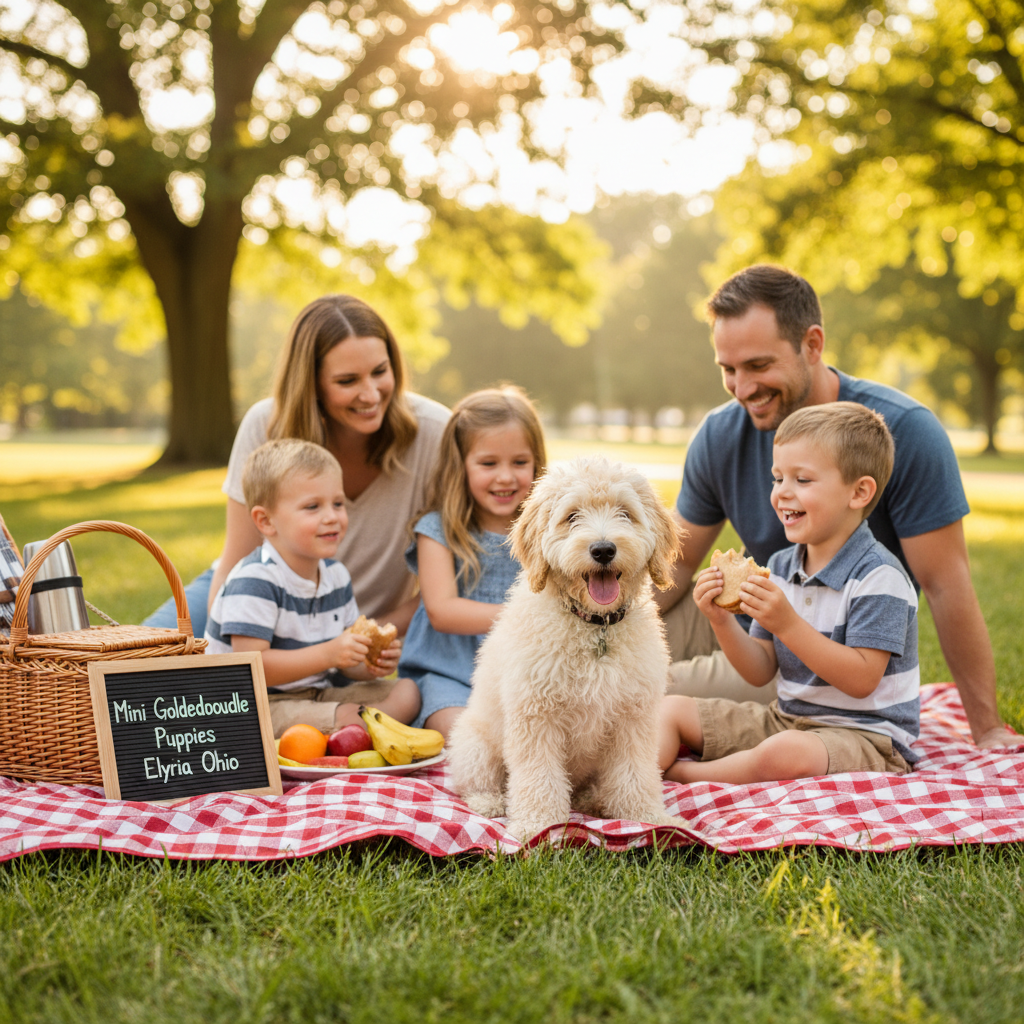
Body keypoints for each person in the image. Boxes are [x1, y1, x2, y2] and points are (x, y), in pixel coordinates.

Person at [657, 264, 1015, 750]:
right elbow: (674, 571)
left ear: (813, 344)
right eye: (728, 370)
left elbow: (945, 585)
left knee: (636, 696)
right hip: (741, 619)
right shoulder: (720, 434)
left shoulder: (904, 431)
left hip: (797, 652)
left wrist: (987, 727)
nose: (742, 389)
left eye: (759, 366)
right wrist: (588, 628)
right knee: (594, 662)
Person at [145, 294, 449, 640]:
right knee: (121, 669)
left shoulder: (436, 434)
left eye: (380, 372)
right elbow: (236, 559)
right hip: (251, 602)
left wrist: (369, 636)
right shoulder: (265, 425)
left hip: (350, 622)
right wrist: (223, 652)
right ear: (312, 384)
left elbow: (453, 584)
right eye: (347, 381)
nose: (371, 394)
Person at [659, 402, 919, 783]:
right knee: (671, 710)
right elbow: (760, 671)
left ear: (859, 492)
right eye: (777, 478)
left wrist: (788, 624)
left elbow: (861, 681)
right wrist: (721, 620)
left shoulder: (880, 578)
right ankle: (623, 784)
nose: (782, 493)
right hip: (788, 718)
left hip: (867, 736)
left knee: (785, 753)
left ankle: (683, 776)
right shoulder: (780, 567)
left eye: (802, 480)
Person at [205, 439, 421, 736]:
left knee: (407, 691)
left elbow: (343, 666)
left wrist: (367, 663)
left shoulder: (336, 576)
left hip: (315, 694)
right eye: (312, 507)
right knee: (346, 714)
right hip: (252, 703)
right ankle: (360, 729)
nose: (332, 516)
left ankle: (358, 730)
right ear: (266, 521)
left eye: (338, 503)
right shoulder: (255, 580)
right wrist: (329, 654)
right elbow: (252, 666)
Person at [398, 386, 546, 738]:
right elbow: (442, 611)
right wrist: (533, 616)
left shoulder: (543, 530)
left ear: (537, 463)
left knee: (541, 730)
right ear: (460, 465)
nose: (506, 477)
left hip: (524, 674)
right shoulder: (438, 530)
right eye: (488, 463)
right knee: (465, 733)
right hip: (449, 674)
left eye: (520, 462)